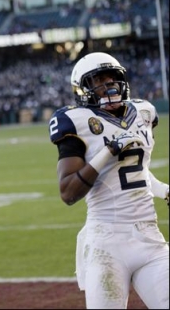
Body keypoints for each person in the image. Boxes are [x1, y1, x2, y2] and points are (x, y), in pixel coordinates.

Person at [48, 52, 169, 309]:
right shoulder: (75, 120)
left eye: (113, 78)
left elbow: (136, 171)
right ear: (83, 89)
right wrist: (108, 151)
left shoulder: (144, 112)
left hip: (149, 237)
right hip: (107, 243)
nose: (109, 86)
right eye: (98, 81)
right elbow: (68, 192)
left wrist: (164, 190)